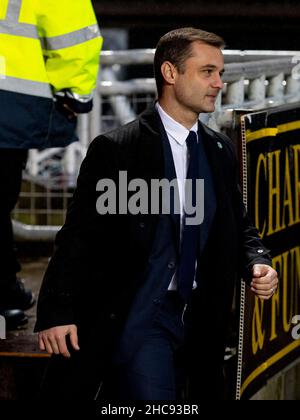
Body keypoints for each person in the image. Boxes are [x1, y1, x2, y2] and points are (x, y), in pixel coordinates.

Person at [35, 27, 278, 400]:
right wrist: (57, 311)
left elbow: (237, 223)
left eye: (220, 73)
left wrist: (257, 261)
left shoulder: (218, 150)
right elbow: (79, 237)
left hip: (201, 318)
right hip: (142, 315)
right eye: (207, 71)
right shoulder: (118, 150)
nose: (218, 83)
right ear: (170, 73)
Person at [0, 0, 102, 329]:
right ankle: (4, 295)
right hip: (9, 103)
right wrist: (74, 92)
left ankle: (5, 292)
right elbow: (71, 29)